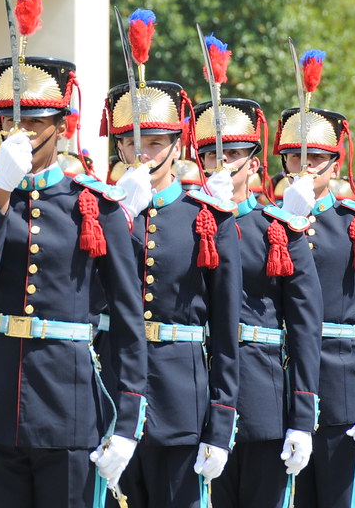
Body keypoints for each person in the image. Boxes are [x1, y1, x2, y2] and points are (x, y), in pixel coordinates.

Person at [0, 52, 148, 508]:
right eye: (10, 122)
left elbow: (128, 318)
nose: (21, 133)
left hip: (67, 403)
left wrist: (129, 419)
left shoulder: (94, 205)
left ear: (62, 126)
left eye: (35, 122)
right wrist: (0, 190)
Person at [103, 67, 240, 508]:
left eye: (155, 143)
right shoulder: (103, 215)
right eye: (131, 143)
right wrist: (122, 218)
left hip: (181, 398)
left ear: (177, 146)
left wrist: (221, 423)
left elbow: (225, 330)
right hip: (111, 392)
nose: (141, 153)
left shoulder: (206, 217)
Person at [277, 51, 355, 508]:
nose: (305, 168)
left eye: (316, 158)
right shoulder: (269, 223)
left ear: (335, 165)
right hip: (278, 386)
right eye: (295, 158)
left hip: (338, 389)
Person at [193, 96, 323, 508]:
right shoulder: (188, 223)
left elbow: (304, 328)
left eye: (233, 154)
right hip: (195, 395)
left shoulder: (277, 230)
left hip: (259, 397)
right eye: (212, 154)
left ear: (254, 164)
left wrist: (302, 417)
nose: (222, 163)